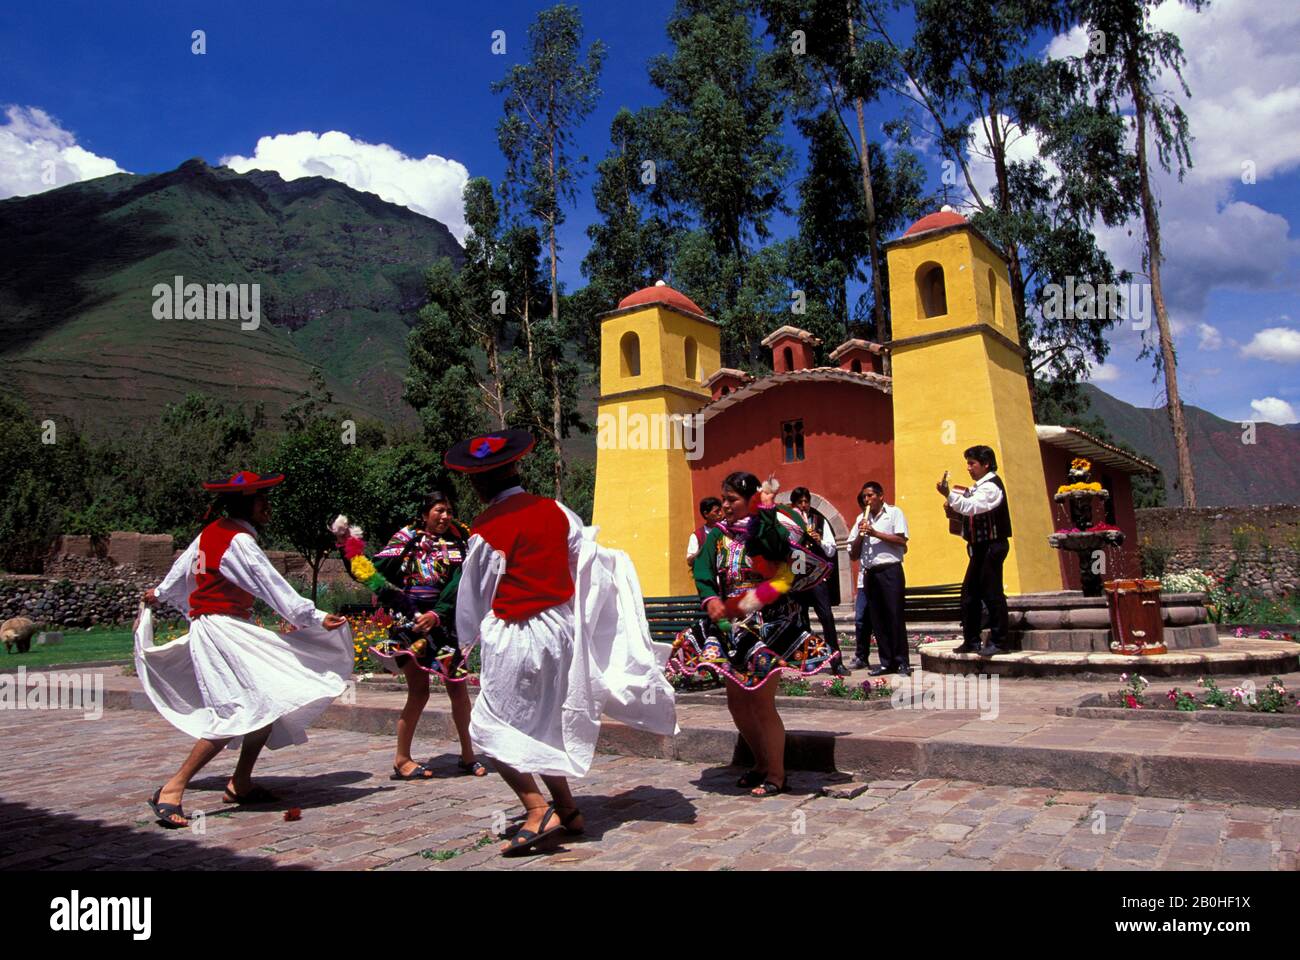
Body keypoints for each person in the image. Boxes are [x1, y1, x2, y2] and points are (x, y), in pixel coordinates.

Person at [448, 429, 677, 857]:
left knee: (489, 730)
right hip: (560, 629)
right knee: (546, 723)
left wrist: (464, 645)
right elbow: (583, 564)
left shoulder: (485, 529)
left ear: (477, 482)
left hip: (515, 631)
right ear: (515, 467)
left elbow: (475, 596)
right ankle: (569, 809)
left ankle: (537, 810)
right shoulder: (558, 511)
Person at [136, 471, 353, 829]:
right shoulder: (238, 541)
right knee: (235, 710)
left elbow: (180, 570)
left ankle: (240, 783)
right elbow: (271, 585)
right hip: (221, 630)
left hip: (225, 627)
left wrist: (160, 593)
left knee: (264, 699)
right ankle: (172, 790)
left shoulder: (212, 533)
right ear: (244, 504)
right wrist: (315, 616)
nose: (267, 505)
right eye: (260, 499)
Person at [670, 471, 835, 798]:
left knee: (760, 700)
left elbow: (780, 554)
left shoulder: (769, 528)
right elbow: (703, 571)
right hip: (732, 625)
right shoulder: (717, 536)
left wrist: (765, 515)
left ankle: (777, 773)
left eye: (732, 500)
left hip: (768, 626)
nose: (726, 506)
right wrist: (712, 598)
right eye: (724, 499)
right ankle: (760, 763)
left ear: (749, 501)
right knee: (737, 703)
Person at [332, 492, 486, 781]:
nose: (445, 516)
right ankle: (402, 759)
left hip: (443, 626)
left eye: (449, 510)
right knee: (419, 691)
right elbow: (371, 572)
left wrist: (438, 613)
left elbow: (460, 583)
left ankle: (468, 755)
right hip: (409, 625)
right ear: (425, 513)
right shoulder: (405, 539)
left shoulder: (459, 543)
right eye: (439, 510)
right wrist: (348, 549)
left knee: (458, 689)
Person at [938, 445, 1012, 657]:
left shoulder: (991, 487)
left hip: (992, 545)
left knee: (992, 592)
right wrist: (953, 510)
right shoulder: (978, 488)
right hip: (979, 547)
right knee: (969, 594)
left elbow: (972, 507)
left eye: (972, 463)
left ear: (985, 464)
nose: (969, 468)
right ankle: (971, 640)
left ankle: (1000, 641)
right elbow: (969, 515)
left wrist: (949, 495)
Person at [850, 481, 911, 676]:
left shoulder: (894, 513)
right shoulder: (861, 518)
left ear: (880, 496)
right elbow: (853, 554)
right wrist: (861, 534)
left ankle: (902, 662)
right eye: (864, 497)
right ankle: (886, 662)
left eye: (870, 496)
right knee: (877, 620)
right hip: (870, 573)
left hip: (890, 570)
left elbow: (902, 541)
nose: (866, 500)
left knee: (894, 616)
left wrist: (875, 533)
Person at [789, 486, 846, 675]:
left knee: (827, 618)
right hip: (798, 578)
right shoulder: (789, 525)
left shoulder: (819, 521)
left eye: (806, 502)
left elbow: (831, 551)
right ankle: (807, 661)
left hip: (817, 577)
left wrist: (819, 539)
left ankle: (836, 661)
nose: (804, 505)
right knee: (801, 620)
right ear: (794, 505)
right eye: (800, 503)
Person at [686, 497, 724, 566]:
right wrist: (704, 549)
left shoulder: (727, 531)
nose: (720, 513)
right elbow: (689, 561)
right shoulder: (697, 536)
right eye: (716, 511)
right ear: (706, 514)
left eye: (720, 510)